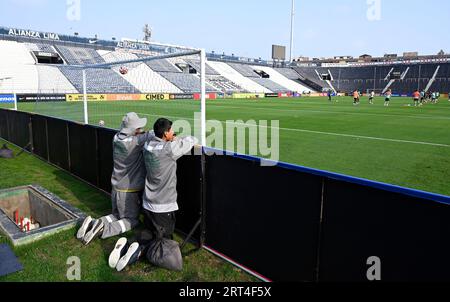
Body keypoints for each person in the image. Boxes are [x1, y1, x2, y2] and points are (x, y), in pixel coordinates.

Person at [110, 118, 198, 271]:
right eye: (171, 131)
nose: (173, 133)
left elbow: (155, 140)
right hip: (163, 205)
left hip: (148, 202)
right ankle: (139, 252)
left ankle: (132, 245)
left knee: (150, 232)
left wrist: (170, 138)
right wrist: (176, 139)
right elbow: (192, 140)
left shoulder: (147, 146)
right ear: (165, 133)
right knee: (164, 241)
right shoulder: (169, 150)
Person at [77, 112, 154, 245]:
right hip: (129, 191)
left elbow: (137, 135)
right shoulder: (136, 141)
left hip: (116, 187)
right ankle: (104, 230)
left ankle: (94, 223)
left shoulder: (116, 138)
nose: (140, 130)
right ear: (133, 130)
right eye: (138, 128)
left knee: (117, 216)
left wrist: (137, 132)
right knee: (131, 220)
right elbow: (154, 133)